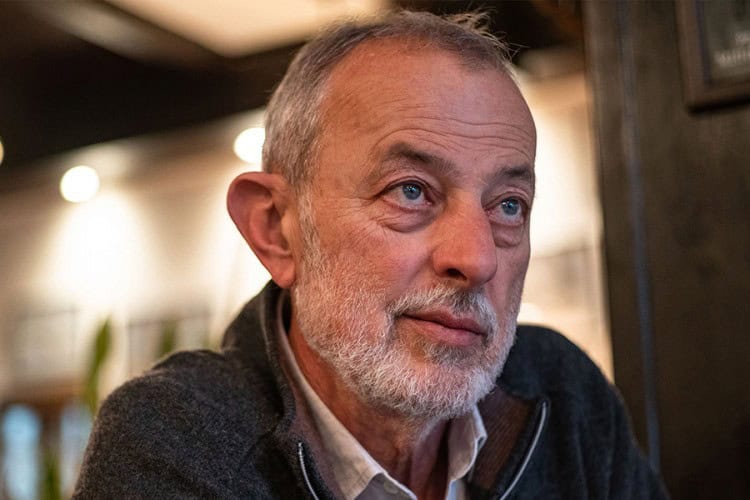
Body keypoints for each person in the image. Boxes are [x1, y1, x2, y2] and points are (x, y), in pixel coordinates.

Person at [74, 10, 667, 499]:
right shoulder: (178, 440)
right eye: (410, 191)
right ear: (277, 230)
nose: (477, 259)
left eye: (509, 205)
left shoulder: (561, 394)